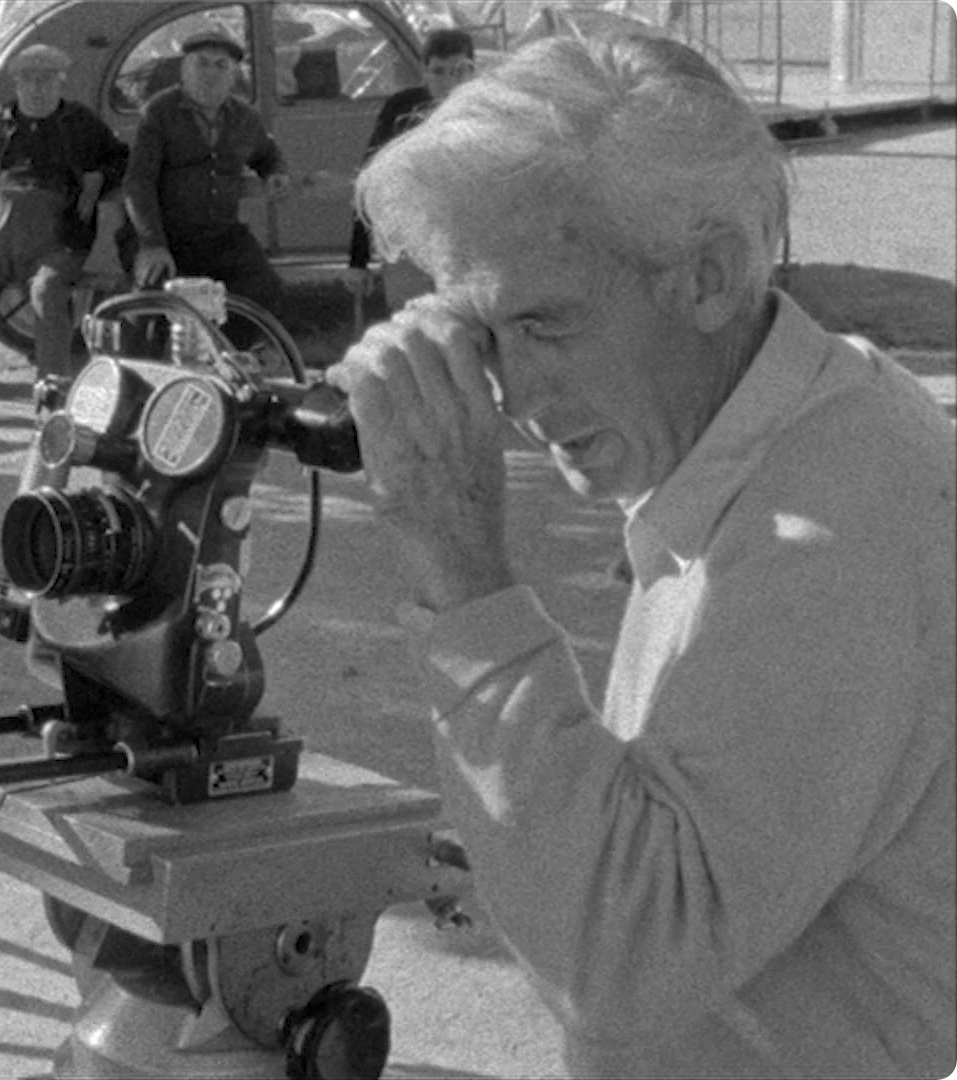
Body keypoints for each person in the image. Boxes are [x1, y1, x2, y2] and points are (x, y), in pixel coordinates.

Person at [327, 32, 955, 1078]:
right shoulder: (786, 431)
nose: (512, 399)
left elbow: (624, 959)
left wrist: (461, 573)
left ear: (707, 276)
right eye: (483, 336)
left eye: (543, 325)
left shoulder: (829, 534)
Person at [0, 44, 128, 431]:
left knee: (49, 291)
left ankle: (51, 401)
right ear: (16, 83)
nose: (37, 88)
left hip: (54, 240)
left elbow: (120, 157)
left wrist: (99, 177)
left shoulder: (81, 123)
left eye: (46, 80)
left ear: (60, 83)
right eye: (29, 80)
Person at [122, 30, 292, 323]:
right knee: (151, 304)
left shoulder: (244, 117)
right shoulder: (160, 112)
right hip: (164, 234)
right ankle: (138, 355)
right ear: (184, 70)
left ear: (232, 76)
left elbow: (267, 152)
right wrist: (152, 244)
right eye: (201, 63)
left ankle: (226, 350)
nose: (210, 74)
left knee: (265, 291)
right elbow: (138, 181)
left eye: (220, 66)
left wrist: (276, 172)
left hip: (219, 236)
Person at [345, 27, 475, 312]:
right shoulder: (401, 110)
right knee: (413, 324)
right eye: (438, 71)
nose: (448, 81)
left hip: (467, 242)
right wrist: (358, 261)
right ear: (425, 72)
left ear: (471, 72)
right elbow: (370, 181)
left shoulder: (486, 112)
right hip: (409, 241)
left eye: (458, 71)